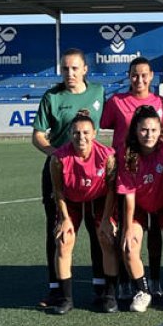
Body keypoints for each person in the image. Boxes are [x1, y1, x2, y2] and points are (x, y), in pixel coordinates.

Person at [31, 48, 106, 309]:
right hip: (59, 172)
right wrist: (57, 155)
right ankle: (56, 290)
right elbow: (38, 136)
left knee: (97, 229)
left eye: (74, 68)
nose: (69, 73)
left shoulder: (98, 92)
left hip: (93, 172)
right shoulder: (52, 97)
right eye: (65, 68)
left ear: (85, 69)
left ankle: (102, 287)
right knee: (59, 231)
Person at [47, 110, 119, 314]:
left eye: (86, 132)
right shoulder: (58, 158)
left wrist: (106, 219)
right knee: (64, 241)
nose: (81, 137)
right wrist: (64, 219)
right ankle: (66, 298)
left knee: (106, 239)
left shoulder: (107, 156)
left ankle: (109, 295)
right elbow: (58, 191)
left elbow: (112, 190)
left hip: (100, 200)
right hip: (71, 201)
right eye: (77, 133)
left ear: (94, 133)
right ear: (70, 134)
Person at [115, 106, 163, 312]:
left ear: (160, 131)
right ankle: (143, 291)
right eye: (144, 130)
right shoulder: (127, 154)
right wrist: (127, 228)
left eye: (153, 130)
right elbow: (129, 196)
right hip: (139, 208)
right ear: (136, 130)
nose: (149, 135)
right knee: (129, 246)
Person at [100, 56, 163, 156]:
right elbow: (102, 124)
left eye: (144, 75)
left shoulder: (160, 102)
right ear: (129, 76)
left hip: (153, 160)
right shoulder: (116, 101)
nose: (139, 80)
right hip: (123, 159)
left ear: (151, 75)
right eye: (135, 75)